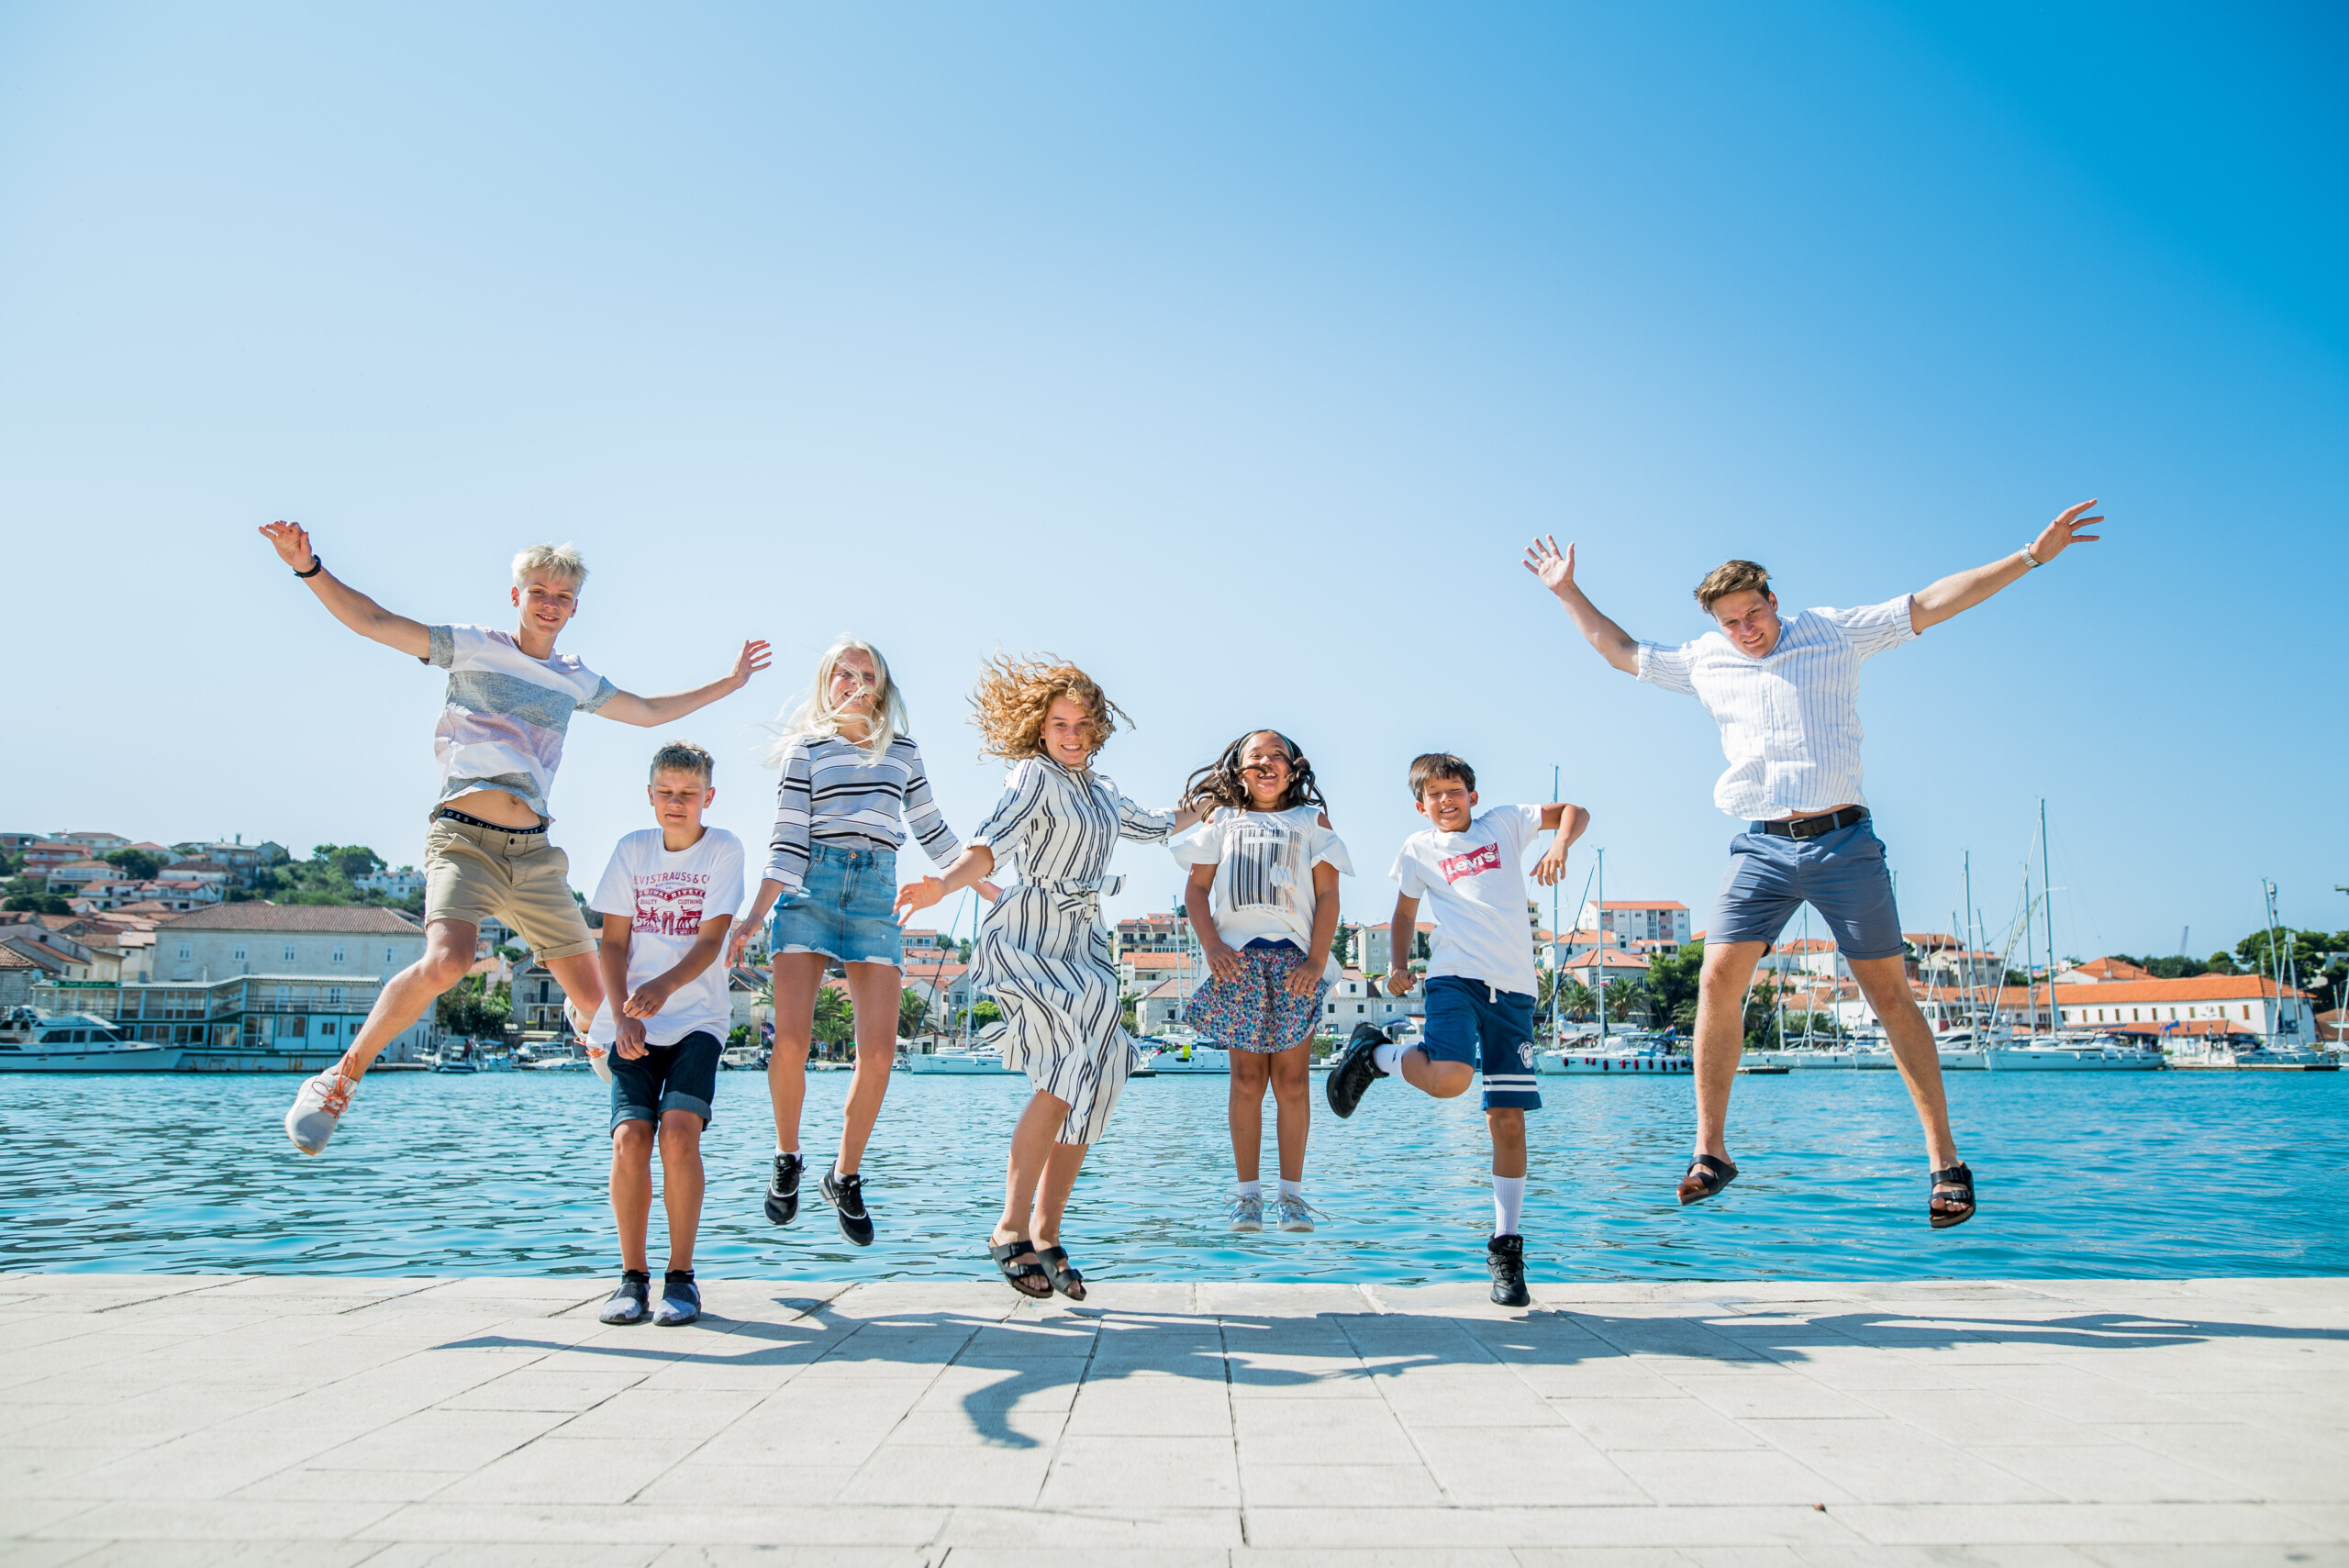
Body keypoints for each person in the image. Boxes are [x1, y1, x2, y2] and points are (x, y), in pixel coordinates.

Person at [1523, 501, 2105, 1228]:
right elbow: (1620, 650)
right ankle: (1711, 1150)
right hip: (1760, 845)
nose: (1744, 631)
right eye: (1729, 622)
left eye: (1751, 615)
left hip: (1842, 842)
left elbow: (1929, 603)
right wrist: (1566, 591)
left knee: (1890, 996)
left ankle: (1946, 1161)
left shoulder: (1831, 632)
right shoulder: (1709, 661)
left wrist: (2029, 555)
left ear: (1773, 599)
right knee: (1716, 978)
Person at [258, 523, 769, 1156]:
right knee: (448, 960)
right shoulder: (473, 647)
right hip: (465, 839)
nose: (549, 602)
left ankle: (585, 1034)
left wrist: (728, 683)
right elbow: (374, 620)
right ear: (516, 595)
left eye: (562, 594)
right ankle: (340, 1077)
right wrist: (310, 568)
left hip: (532, 853)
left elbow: (646, 710)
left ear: (575, 606)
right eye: (538, 591)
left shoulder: (574, 679)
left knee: (595, 1000)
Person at [896, 656, 1207, 1301]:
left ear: (1097, 731)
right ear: (1040, 729)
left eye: (1082, 724)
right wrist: (942, 882)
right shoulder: (1032, 776)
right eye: (1059, 723)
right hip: (1032, 933)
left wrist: (1212, 801)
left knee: (1107, 1068)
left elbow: (1154, 824)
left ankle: (1047, 1226)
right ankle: (1008, 1226)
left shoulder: (1102, 791)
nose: (1070, 734)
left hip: (1085, 940)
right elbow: (991, 844)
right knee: (1066, 1066)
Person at [724, 639, 994, 1245]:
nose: (854, 682)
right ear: (827, 683)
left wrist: (982, 881)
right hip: (810, 890)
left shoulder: (902, 751)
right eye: (842, 673)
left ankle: (843, 1174)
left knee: (877, 1055)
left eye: (865, 673)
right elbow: (786, 840)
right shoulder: (808, 749)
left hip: (875, 892)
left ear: (882, 685)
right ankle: (787, 1157)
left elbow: (931, 827)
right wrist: (750, 919)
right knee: (790, 1041)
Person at [1324, 753, 1588, 1307]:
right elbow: (1402, 914)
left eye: (1456, 791)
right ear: (1420, 805)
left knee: (1508, 1121)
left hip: (1514, 991)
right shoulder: (1420, 850)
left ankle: (1506, 1248)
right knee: (1450, 1080)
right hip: (1453, 979)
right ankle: (1377, 1056)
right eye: (1435, 795)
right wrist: (1397, 965)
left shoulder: (1505, 823)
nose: (1447, 801)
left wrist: (1559, 844)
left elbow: (1574, 811)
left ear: (1473, 794)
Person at [585, 742, 744, 1327]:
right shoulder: (631, 851)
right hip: (631, 1020)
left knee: (679, 1134)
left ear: (708, 797)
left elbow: (710, 942)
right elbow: (613, 942)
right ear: (650, 796)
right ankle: (632, 1279)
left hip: (698, 1017)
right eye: (666, 793)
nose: (677, 804)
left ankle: (682, 1278)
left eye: (688, 794)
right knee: (631, 1137)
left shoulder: (723, 850)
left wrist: (665, 990)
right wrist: (624, 1013)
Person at [1172, 729, 1352, 1235]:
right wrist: (1211, 947)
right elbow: (1196, 891)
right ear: (1239, 768)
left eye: (1279, 756)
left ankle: (1291, 1197)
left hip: (1297, 963)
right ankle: (1247, 1197)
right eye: (1257, 757)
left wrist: (1318, 961)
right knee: (1248, 1081)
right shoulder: (1222, 820)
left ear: (1294, 770)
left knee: (1292, 1082)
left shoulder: (1312, 821)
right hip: (1237, 962)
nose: (1267, 763)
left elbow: (1329, 896)